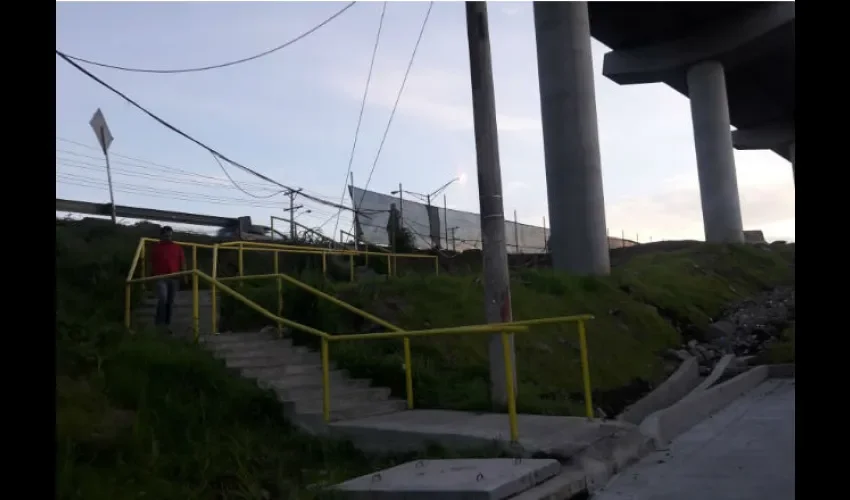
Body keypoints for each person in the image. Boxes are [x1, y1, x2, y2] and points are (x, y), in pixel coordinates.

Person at [149, 226, 187, 329]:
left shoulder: (177, 247)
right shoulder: (156, 248)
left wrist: (184, 276)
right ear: (161, 236)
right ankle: (159, 324)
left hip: (174, 278)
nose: (168, 238)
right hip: (161, 278)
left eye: (170, 236)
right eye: (166, 236)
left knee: (170, 302)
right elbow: (151, 263)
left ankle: (166, 325)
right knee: (163, 299)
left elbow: (182, 261)